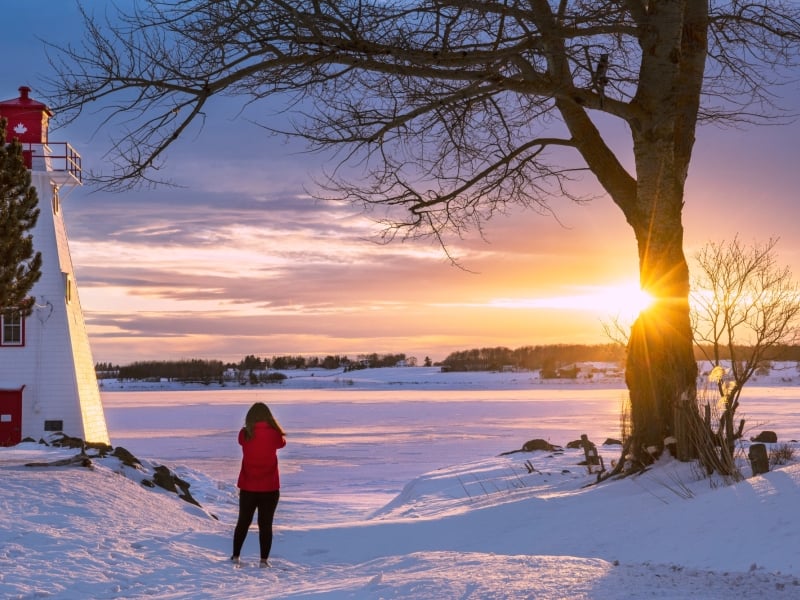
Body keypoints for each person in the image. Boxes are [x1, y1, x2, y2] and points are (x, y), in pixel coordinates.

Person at [231, 402, 286, 567]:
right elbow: (282, 443)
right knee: (266, 524)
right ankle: (263, 561)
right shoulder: (274, 434)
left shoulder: (245, 433)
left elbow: (241, 441)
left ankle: (235, 557)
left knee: (243, 521)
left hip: (248, 487)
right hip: (270, 488)